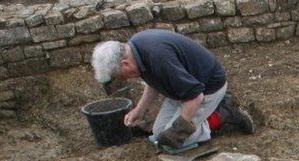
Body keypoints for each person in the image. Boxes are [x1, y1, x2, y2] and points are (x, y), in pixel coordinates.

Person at [91, 29, 254, 153]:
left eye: (120, 75)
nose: (124, 79)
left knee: (175, 142)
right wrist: (139, 110)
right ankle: (199, 118)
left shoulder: (158, 57)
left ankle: (224, 112)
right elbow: (153, 81)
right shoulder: (135, 49)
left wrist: (178, 132)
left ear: (125, 64)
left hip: (206, 88)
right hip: (183, 89)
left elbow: (196, 96)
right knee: (159, 134)